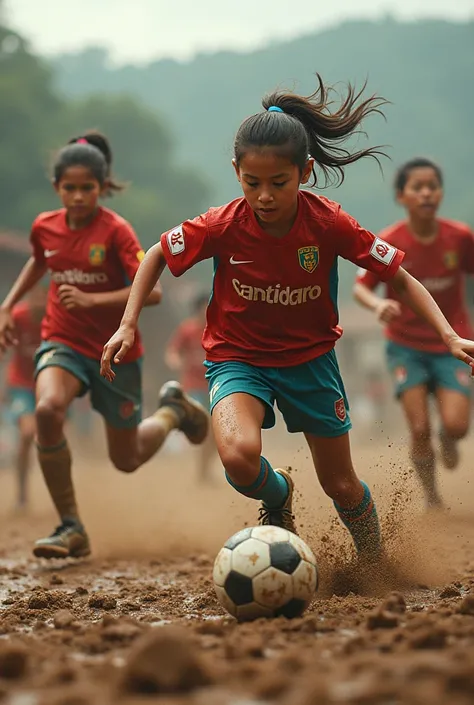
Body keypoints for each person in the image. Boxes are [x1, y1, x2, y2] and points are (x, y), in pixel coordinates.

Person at [101, 77, 474, 563]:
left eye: (279, 183)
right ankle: (278, 497)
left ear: (305, 172)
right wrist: (127, 323)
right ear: (236, 171)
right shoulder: (220, 225)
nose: (265, 196)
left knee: (340, 483)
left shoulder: (329, 223)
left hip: (311, 361)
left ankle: (376, 566)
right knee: (237, 459)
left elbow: (398, 277)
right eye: (252, 183)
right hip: (237, 358)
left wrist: (448, 334)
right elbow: (154, 254)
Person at [0, 131, 208, 559]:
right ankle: (70, 525)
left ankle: (173, 412)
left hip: (116, 352)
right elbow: (39, 262)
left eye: (87, 188)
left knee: (127, 458)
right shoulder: (45, 226)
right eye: (69, 188)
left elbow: (150, 293)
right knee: (46, 409)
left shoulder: (116, 232)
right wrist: (7, 305)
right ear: (57, 187)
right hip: (63, 341)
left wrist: (93, 299)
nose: (78, 197)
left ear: (102, 187)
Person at [354, 158, 474, 508]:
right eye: (416, 187)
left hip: (451, 344)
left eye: (432, 186)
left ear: (440, 193)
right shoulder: (390, 242)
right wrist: (377, 306)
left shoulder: (460, 238)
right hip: (404, 346)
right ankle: (432, 497)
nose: (426, 193)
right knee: (419, 428)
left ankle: (449, 439)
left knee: (455, 425)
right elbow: (362, 287)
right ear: (400, 196)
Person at [165, 291, 217, 482]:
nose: (206, 312)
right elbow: (172, 351)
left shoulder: (218, 329)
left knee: (215, 434)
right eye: (203, 308)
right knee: (204, 426)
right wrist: (175, 361)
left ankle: (204, 470)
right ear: (197, 310)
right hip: (193, 386)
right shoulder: (187, 330)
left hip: (214, 386)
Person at [2, 284, 46, 510]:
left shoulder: (56, 318)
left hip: (49, 383)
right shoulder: (18, 316)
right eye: (34, 298)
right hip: (21, 383)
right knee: (28, 433)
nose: (38, 304)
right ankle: (22, 494)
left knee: (53, 438)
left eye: (43, 299)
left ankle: (61, 496)